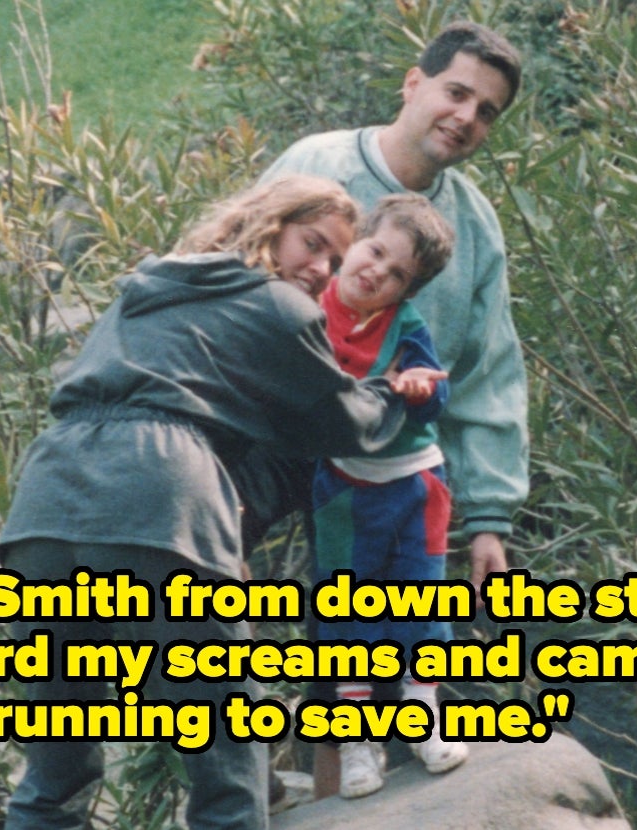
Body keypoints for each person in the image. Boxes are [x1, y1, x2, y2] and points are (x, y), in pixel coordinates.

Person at [0, 174, 444, 830]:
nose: (321, 270)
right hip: (159, 492)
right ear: (271, 225)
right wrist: (395, 394)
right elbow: (338, 421)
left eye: (335, 261)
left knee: (55, 766)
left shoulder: (146, 289)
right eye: (312, 245)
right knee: (224, 756)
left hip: (45, 502)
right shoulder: (280, 306)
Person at [245, 20, 530, 798]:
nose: (466, 116)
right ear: (414, 83)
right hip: (268, 445)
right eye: (457, 91)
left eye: (487, 110)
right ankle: (240, 785)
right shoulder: (319, 163)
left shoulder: (469, 228)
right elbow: (232, 263)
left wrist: (491, 515)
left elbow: (487, 370)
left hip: (389, 467)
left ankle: (349, 793)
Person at [309, 193, 467, 798]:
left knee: (422, 610)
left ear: (407, 290)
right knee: (346, 621)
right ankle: (357, 745)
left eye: (396, 273)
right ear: (356, 241)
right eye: (374, 251)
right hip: (343, 488)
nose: (376, 271)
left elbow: (440, 393)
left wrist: (421, 388)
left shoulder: (405, 327)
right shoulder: (305, 310)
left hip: (416, 483)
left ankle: (425, 723)